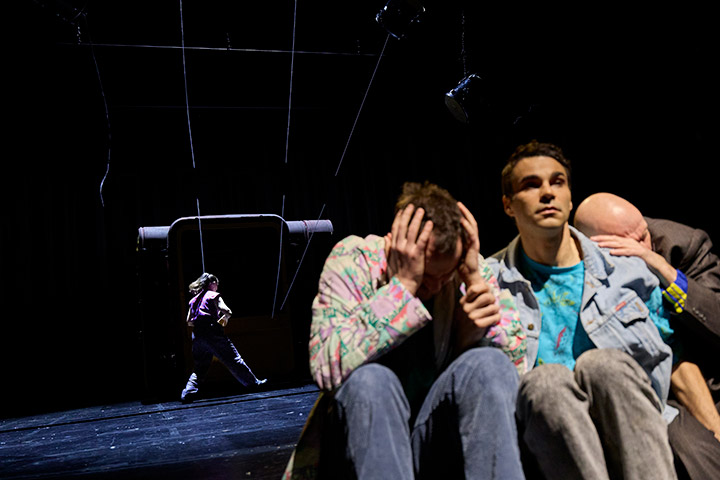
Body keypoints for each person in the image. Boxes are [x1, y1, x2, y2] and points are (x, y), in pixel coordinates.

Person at [283, 181, 527, 479]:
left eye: (444, 276)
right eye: (426, 277)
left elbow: (515, 372)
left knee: (489, 363)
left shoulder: (464, 269)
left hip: (435, 440)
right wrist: (403, 288)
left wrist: (475, 283)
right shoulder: (356, 259)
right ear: (396, 242)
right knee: (371, 380)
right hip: (365, 443)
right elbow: (325, 368)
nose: (435, 286)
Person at [487, 140, 677, 480]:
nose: (547, 193)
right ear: (508, 205)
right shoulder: (489, 283)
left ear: (570, 197)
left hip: (633, 425)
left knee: (603, 365)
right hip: (547, 437)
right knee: (546, 382)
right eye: (531, 185)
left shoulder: (626, 272)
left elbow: (664, 360)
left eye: (557, 182)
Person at [574, 192, 720, 479]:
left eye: (642, 236)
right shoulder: (582, 273)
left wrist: (665, 271)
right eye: (624, 245)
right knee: (686, 445)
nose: (640, 248)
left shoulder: (681, 244)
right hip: (652, 393)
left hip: (708, 375)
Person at [180, 273, 266, 403]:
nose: (217, 286)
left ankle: (187, 392)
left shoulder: (193, 300)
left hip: (197, 335)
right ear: (211, 283)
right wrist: (223, 318)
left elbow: (189, 321)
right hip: (212, 333)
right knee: (233, 359)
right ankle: (253, 383)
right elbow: (228, 311)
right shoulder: (213, 295)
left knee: (200, 367)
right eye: (217, 283)